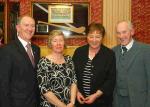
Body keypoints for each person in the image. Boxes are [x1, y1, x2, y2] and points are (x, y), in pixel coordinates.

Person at [0, 15, 40, 107]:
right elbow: (3, 84)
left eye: (32, 26)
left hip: (34, 102)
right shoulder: (7, 50)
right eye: (26, 25)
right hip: (16, 103)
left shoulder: (36, 49)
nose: (30, 29)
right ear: (18, 28)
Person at [73, 23, 116, 107]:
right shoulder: (79, 52)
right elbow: (72, 74)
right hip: (80, 101)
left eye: (98, 37)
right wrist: (77, 92)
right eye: (91, 36)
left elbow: (111, 79)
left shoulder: (109, 54)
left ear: (102, 38)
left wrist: (96, 95)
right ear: (87, 37)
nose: (94, 40)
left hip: (102, 102)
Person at [113, 20, 150, 107]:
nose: (121, 36)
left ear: (132, 32)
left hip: (139, 101)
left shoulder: (146, 50)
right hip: (117, 101)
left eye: (124, 32)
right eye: (118, 33)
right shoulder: (113, 51)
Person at [37, 30, 77, 107]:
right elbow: (44, 89)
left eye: (61, 40)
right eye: (55, 41)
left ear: (64, 43)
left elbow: (74, 82)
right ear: (50, 43)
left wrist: (72, 102)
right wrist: (62, 106)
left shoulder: (69, 60)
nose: (58, 43)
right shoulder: (43, 62)